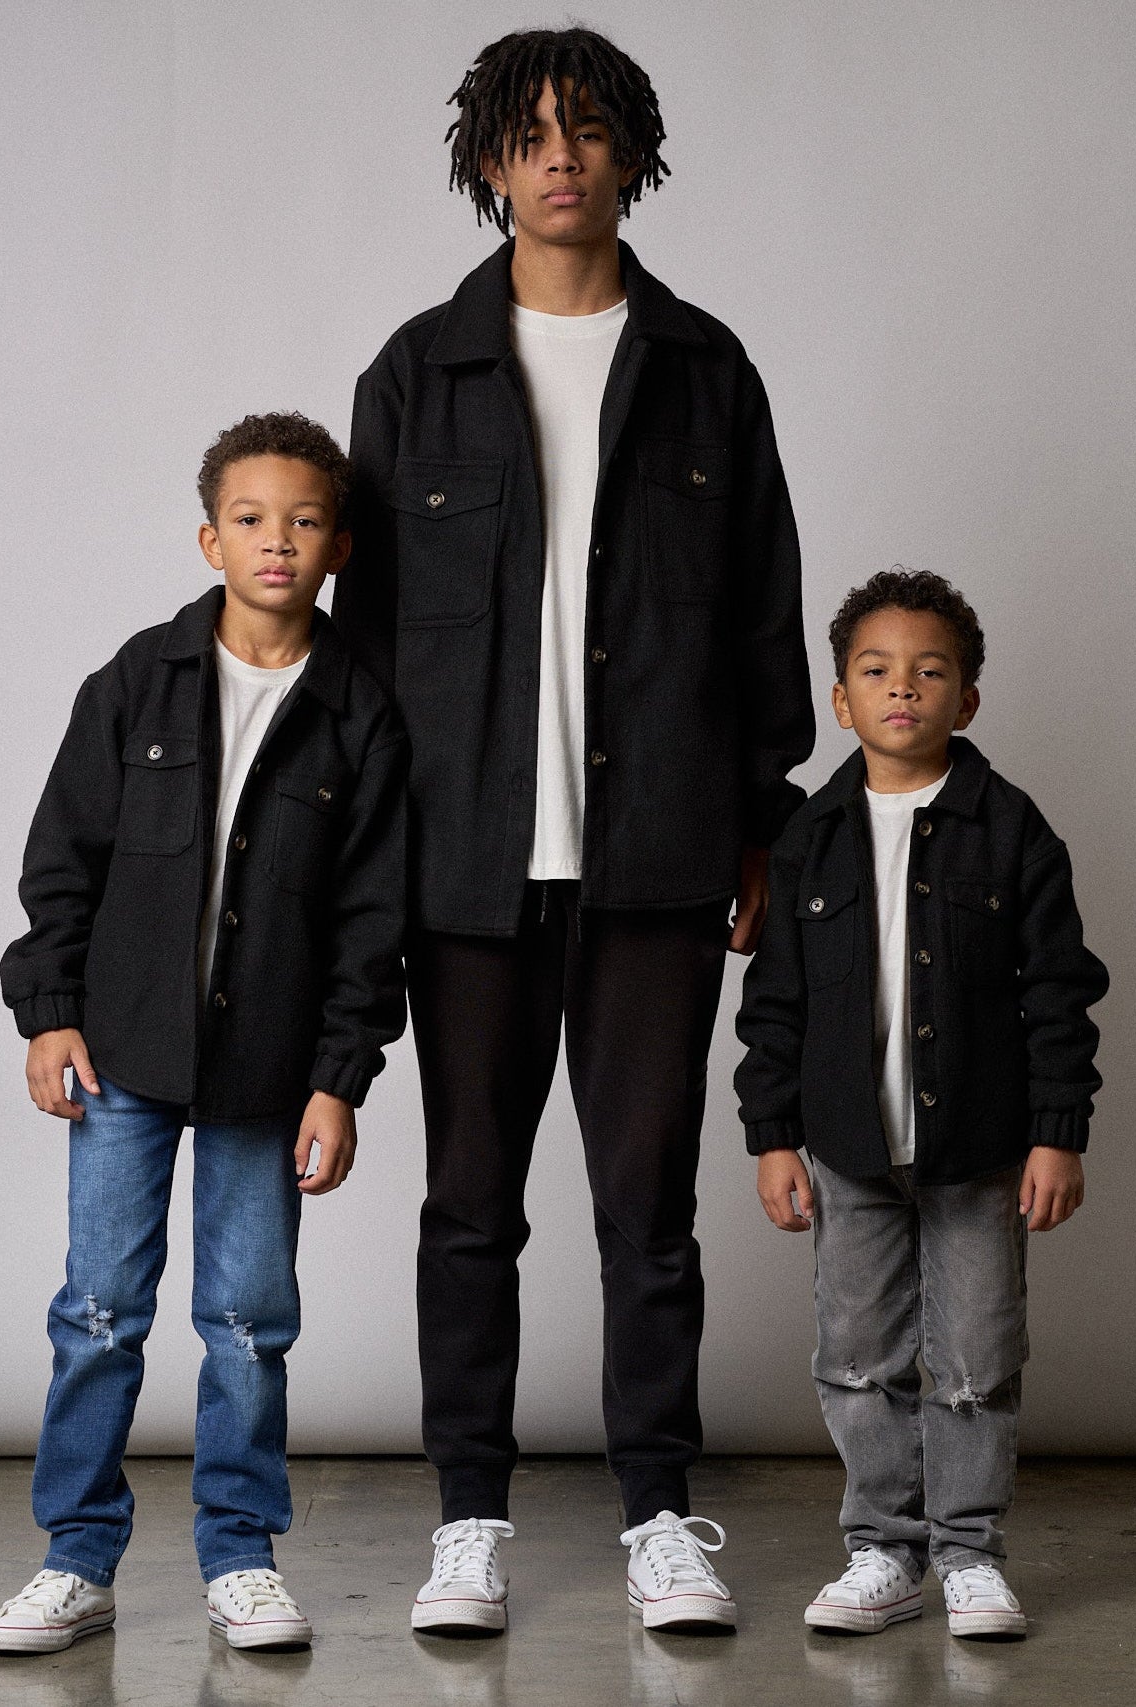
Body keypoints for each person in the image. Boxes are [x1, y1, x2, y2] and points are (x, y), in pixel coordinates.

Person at [335, 26, 813, 1634]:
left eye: (590, 128)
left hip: (658, 858)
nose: (561, 155)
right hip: (464, 866)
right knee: (469, 1205)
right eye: (531, 132)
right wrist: (369, 852)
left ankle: (659, 1516)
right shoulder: (417, 373)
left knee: (649, 1210)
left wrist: (759, 823)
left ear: (630, 155)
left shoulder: (707, 368)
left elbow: (761, 610)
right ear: (489, 162)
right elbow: (368, 646)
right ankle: (467, 1519)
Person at [0, 412, 407, 1653]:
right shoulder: (137, 681)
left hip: (266, 1071)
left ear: (338, 548)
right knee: (99, 1310)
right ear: (210, 538)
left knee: (248, 1321)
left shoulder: (359, 712)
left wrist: (338, 1080)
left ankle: (241, 1557)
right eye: (253, 519)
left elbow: (371, 919)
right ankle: (76, 1559)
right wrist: (49, 1011)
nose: (279, 541)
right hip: (121, 1054)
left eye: (306, 522)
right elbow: (63, 859)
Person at [735, 568, 1109, 1639]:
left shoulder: (1013, 828)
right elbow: (774, 1003)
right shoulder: (810, 835)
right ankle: (883, 1551)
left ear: (968, 699)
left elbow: (1059, 992)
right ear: (841, 699)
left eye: (930, 671)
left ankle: (970, 1555)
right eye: (876, 670)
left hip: (982, 1149)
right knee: (858, 1359)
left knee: (977, 1362)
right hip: (847, 1149)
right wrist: (772, 1138)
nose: (903, 687)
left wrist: (1057, 1134)